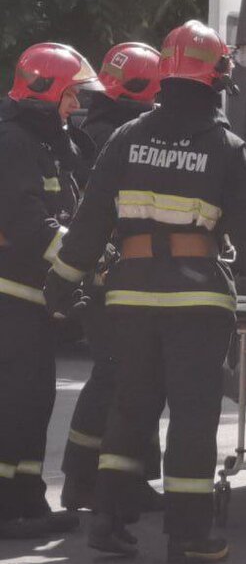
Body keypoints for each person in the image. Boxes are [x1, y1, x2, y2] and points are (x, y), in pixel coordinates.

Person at [44, 21, 246, 564]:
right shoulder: (229, 150)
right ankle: (188, 536)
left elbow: (89, 223)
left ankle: (108, 520)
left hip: (130, 298)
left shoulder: (126, 139)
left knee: (131, 408)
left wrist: (58, 285)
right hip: (197, 303)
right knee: (192, 417)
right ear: (217, 79)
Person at [0, 43, 101, 539]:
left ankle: (26, 503)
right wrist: (85, 256)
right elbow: (27, 222)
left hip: (31, 300)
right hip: (9, 298)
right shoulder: (12, 142)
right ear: (45, 90)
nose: (76, 106)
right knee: (13, 404)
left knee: (33, 403)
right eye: (70, 95)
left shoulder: (43, 144)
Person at [60, 42, 164, 515]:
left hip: (110, 274)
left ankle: (103, 479)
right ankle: (91, 480)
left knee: (121, 375)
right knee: (121, 376)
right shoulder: (123, 137)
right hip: (115, 276)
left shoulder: (97, 132)